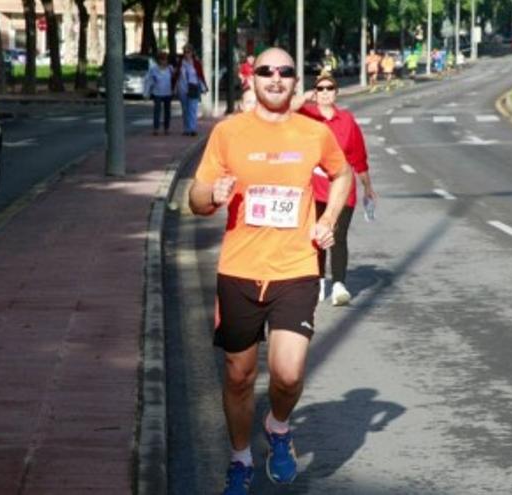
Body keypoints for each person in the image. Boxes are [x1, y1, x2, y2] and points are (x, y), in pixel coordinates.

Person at [188, 47, 352, 495]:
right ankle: (240, 458)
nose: (276, 78)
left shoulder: (312, 133)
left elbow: (343, 176)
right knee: (239, 375)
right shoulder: (229, 133)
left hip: (296, 268)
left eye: (285, 72)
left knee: (288, 373)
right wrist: (212, 195)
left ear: (295, 81)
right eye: (266, 71)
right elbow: (196, 199)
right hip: (239, 271)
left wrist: (327, 218)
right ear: (252, 79)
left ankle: (278, 426)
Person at [298, 74, 376, 306]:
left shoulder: (347, 120)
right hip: (315, 189)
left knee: (338, 236)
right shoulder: (306, 116)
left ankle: (339, 283)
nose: (324, 93)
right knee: (317, 237)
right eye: (319, 89)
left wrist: (368, 187)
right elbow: (286, 109)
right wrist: (304, 97)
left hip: (343, 189)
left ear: (336, 92)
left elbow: (358, 156)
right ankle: (320, 280)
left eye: (329, 88)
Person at [173, 43, 208, 136]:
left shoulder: (196, 63)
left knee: (192, 108)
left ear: (192, 52)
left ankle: (193, 129)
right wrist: (174, 87)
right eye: (184, 52)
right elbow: (176, 75)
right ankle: (186, 129)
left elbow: (200, 75)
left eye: (188, 52)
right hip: (183, 88)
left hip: (193, 87)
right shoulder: (180, 63)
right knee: (185, 110)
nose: (186, 54)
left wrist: (203, 86)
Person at [145, 51, 174, 135]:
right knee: (157, 111)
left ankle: (166, 128)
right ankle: (156, 128)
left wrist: (174, 89)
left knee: (167, 112)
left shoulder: (170, 68)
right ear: (159, 60)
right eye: (162, 59)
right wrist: (147, 92)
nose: (163, 61)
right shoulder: (154, 69)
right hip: (157, 93)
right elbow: (149, 80)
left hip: (168, 93)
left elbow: (174, 79)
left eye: (165, 59)